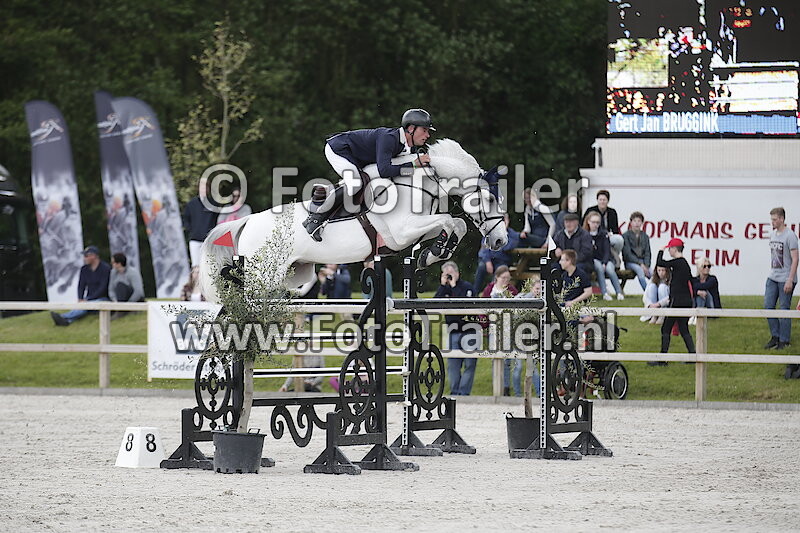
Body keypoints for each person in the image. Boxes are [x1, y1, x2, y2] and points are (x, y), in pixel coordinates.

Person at [302, 109, 435, 241]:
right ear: (411, 128)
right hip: (339, 150)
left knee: (363, 180)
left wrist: (414, 167)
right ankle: (315, 219)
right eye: (424, 130)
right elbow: (385, 171)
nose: (427, 135)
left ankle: (329, 190)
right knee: (355, 183)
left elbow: (400, 170)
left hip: (357, 158)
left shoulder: (408, 148)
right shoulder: (389, 138)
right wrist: (413, 165)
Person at [435, 261, 480, 396]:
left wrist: (454, 286)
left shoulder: (467, 287)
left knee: (470, 365)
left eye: (451, 273)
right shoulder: (444, 289)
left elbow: (463, 306)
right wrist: (443, 286)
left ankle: (464, 393)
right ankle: (455, 393)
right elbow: (434, 303)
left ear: (457, 273)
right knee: (453, 366)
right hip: (453, 331)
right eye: (446, 274)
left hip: (470, 331)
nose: (449, 276)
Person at [652, 238, 695, 364]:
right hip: (685, 300)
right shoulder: (684, 263)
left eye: (669, 248)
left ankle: (662, 359)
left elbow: (660, 262)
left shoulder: (678, 262)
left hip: (677, 301)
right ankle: (692, 356)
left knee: (665, 328)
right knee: (683, 328)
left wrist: (660, 251)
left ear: (674, 249)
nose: (668, 250)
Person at [480, 266, 521, 396]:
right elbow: (483, 307)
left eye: (508, 278)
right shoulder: (489, 290)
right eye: (503, 278)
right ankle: (497, 387)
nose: (506, 280)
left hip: (509, 328)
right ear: (497, 277)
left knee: (508, 360)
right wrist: (483, 324)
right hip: (494, 328)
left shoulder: (512, 290)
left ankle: (506, 388)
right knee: (496, 359)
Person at [764, 207, 798, 353]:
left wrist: (790, 279)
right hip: (773, 276)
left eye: (775, 219)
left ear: (782, 219)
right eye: (771, 219)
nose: (772, 222)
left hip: (785, 277)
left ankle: (784, 340)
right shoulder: (772, 235)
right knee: (768, 306)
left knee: (784, 309)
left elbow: (795, 258)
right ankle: (775, 336)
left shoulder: (790, 236)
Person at [50, 246, 111, 326]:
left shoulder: (105, 268)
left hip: (103, 298)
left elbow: (103, 288)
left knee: (85, 306)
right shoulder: (84, 269)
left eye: (86, 256)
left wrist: (88, 299)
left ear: (94, 256)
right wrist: (80, 298)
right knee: (84, 306)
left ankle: (63, 317)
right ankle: (67, 321)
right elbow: (81, 285)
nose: (84, 258)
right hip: (89, 299)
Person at [473, 213, 520, 293]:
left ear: (508, 221)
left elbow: (506, 247)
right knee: (481, 267)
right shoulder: (489, 232)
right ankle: (474, 293)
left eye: (504, 220)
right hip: (489, 260)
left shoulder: (513, 235)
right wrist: (488, 261)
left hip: (502, 261)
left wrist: (503, 234)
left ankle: (492, 293)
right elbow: (484, 249)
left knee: (500, 273)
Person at [584, 211, 624, 301]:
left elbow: (607, 250)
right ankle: (605, 293)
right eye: (593, 222)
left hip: (606, 259)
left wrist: (605, 262)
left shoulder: (603, 234)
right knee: (599, 268)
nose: (595, 224)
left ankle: (619, 292)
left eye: (597, 222)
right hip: (593, 259)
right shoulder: (584, 234)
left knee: (610, 269)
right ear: (588, 222)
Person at [584, 190, 624, 266]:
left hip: (607, 236)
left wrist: (610, 234)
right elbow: (583, 225)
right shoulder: (590, 210)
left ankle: (612, 258)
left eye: (604, 200)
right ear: (597, 200)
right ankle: (613, 259)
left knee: (619, 239)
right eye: (600, 200)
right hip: (593, 236)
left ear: (607, 201)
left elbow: (615, 230)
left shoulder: (612, 212)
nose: (602, 202)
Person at [183, 182, 217, 267]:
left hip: (209, 240)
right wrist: (191, 231)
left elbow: (217, 220)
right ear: (198, 189)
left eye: (206, 188)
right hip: (195, 240)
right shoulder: (191, 204)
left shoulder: (214, 204)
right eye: (202, 188)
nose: (204, 190)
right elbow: (185, 219)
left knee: (209, 266)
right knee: (196, 267)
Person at [108, 253, 144, 319]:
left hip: (133, 298)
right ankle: (120, 309)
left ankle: (121, 311)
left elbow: (138, 291)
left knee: (120, 285)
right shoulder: (113, 273)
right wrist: (115, 300)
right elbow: (111, 290)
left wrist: (129, 303)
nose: (111, 264)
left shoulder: (132, 272)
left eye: (113, 262)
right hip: (119, 299)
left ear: (119, 263)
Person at [622, 211, 652, 290]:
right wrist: (640, 264)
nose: (637, 223)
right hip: (631, 262)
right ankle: (647, 292)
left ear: (642, 223)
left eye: (639, 221)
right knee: (640, 271)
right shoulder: (626, 236)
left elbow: (647, 252)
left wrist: (646, 264)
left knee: (652, 273)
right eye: (634, 221)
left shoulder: (645, 236)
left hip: (643, 262)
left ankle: (657, 292)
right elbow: (627, 254)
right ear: (631, 223)